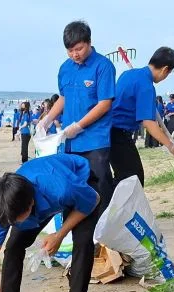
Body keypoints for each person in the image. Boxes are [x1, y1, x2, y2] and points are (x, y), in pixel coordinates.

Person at [0, 154, 99, 292]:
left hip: (80, 185)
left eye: (16, 221)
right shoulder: (3, 205)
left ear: (31, 205)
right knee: (14, 245)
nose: (12, 225)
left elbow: (93, 199)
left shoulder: (62, 188)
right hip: (38, 195)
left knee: (83, 242)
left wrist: (59, 235)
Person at [37, 21, 115, 218]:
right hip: (70, 142)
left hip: (95, 140)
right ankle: (75, 227)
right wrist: (47, 119)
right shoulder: (65, 68)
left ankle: (104, 228)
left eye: (78, 49)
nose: (74, 54)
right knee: (73, 188)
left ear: (89, 42)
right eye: (70, 50)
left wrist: (80, 125)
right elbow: (63, 98)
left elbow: (104, 104)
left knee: (100, 186)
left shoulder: (103, 66)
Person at [109, 47, 174, 187]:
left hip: (107, 130)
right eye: (168, 74)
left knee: (125, 178)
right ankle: (106, 201)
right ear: (165, 69)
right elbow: (148, 123)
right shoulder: (146, 86)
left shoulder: (128, 74)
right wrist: (170, 145)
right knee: (133, 180)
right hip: (118, 133)